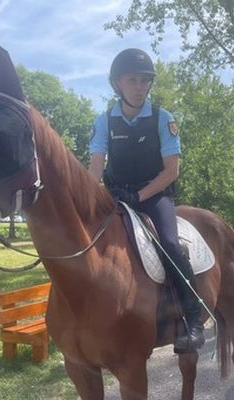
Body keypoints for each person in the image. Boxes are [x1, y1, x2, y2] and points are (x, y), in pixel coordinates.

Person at [88, 48, 204, 353]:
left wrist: (139, 195)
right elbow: (96, 166)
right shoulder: (104, 121)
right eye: (133, 80)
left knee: (169, 242)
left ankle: (193, 320)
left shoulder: (163, 119)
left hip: (153, 195)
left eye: (144, 81)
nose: (140, 86)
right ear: (118, 84)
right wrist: (86, 199)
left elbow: (172, 171)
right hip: (115, 195)